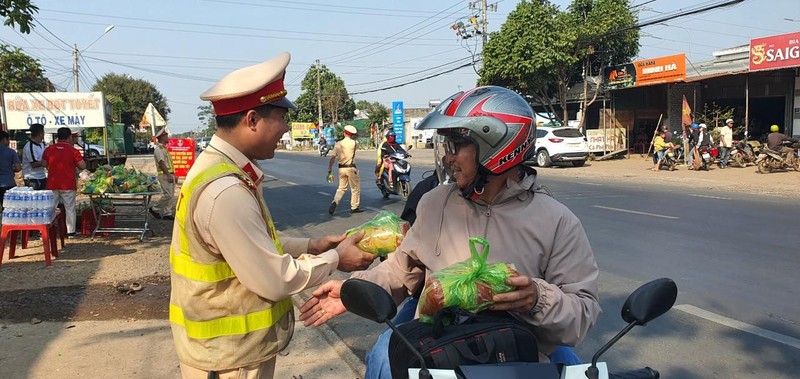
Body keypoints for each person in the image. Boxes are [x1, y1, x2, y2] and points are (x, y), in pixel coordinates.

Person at [299, 86, 600, 376]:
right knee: (381, 359)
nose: (447, 158)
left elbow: (582, 313)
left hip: (518, 358)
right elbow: (400, 271)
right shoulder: (435, 204)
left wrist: (537, 298)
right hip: (439, 351)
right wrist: (353, 292)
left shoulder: (557, 221)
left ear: (497, 147)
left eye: (456, 146)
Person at [170, 52, 376, 379]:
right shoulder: (226, 191)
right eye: (280, 118)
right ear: (252, 120)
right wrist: (337, 258)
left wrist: (313, 244)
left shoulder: (219, 170)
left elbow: (250, 245)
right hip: (229, 361)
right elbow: (273, 279)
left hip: (228, 352)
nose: (285, 128)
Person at [41, 127, 87, 237]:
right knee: (70, 208)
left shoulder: (49, 149)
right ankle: (71, 232)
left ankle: (45, 229)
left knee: (50, 207)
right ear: (69, 137)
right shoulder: (73, 150)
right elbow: (82, 166)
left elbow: (43, 163)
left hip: (52, 183)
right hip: (68, 184)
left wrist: (51, 167)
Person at [327, 125, 361, 214]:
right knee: (355, 188)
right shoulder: (354, 143)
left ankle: (335, 201)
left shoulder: (338, 144)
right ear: (352, 135)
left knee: (341, 188)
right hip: (351, 168)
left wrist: (330, 168)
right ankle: (354, 207)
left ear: (344, 133)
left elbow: (332, 157)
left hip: (341, 169)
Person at [149, 127, 176, 220]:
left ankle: (167, 213)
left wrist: (173, 174)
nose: (168, 137)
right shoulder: (159, 149)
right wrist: (168, 174)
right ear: (162, 137)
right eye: (166, 135)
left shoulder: (164, 149)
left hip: (169, 174)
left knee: (171, 195)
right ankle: (154, 208)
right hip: (164, 175)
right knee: (167, 194)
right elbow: (161, 162)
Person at [21, 123, 47, 190]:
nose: (44, 134)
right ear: (40, 133)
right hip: (32, 178)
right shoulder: (29, 146)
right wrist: (47, 161)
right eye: (43, 132)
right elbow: (34, 164)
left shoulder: (42, 144)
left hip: (42, 176)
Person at [0, 130, 22, 207]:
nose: (9, 142)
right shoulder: (11, 152)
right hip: (8, 183)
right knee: (10, 207)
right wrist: (11, 169)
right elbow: (18, 168)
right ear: (4, 139)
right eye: (8, 139)